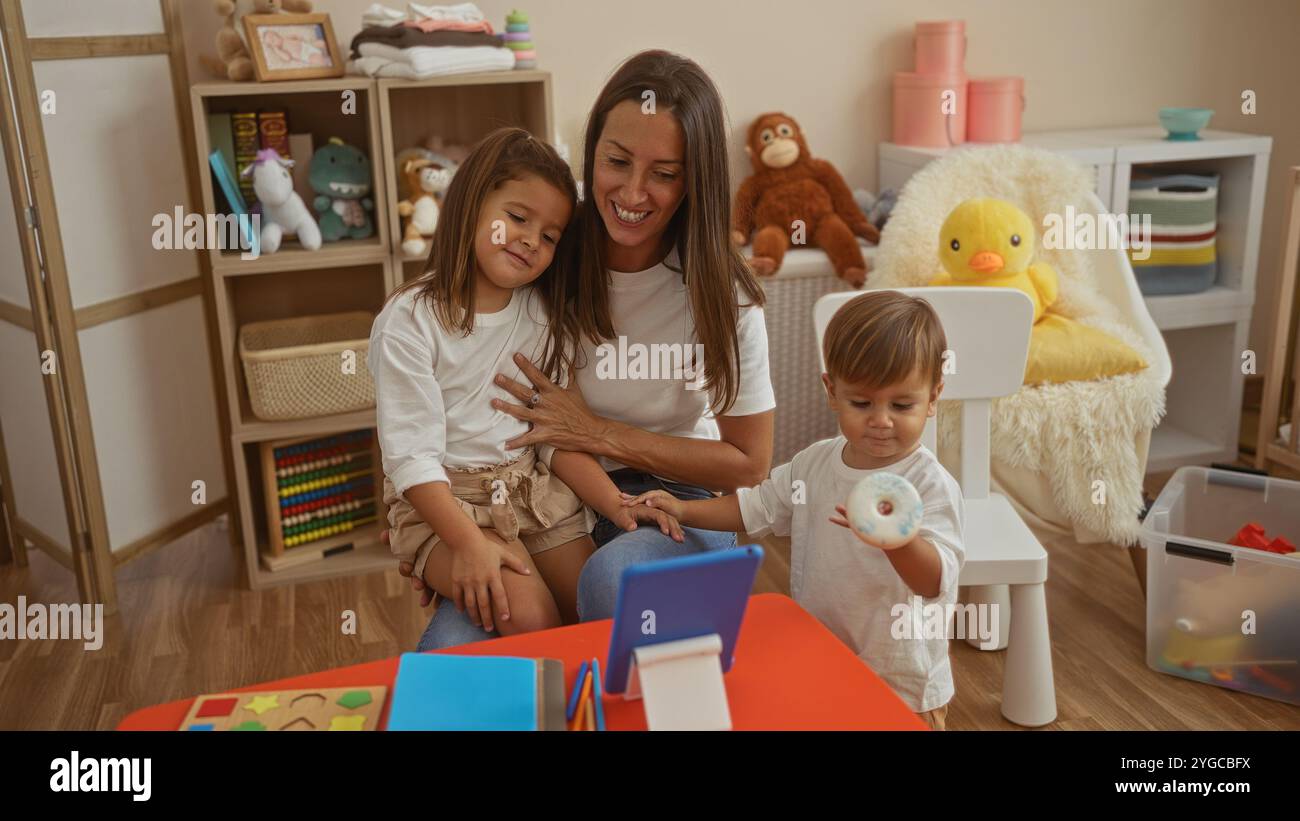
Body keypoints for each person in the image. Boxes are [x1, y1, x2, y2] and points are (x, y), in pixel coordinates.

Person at [401, 50, 776, 649]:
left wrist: (598, 433)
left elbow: (750, 464)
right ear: (592, 153)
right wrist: (448, 539)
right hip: (542, 500)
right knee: (454, 652)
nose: (632, 192)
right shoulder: (546, 243)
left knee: (614, 580)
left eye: (664, 173)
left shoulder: (722, 293)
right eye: (617, 161)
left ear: (694, 181)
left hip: (676, 504)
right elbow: (452, 371)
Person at [371, 128, 681, 638]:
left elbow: (554, 441)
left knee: (595, 608)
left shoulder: (539, 316)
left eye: (550, 236)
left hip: (533, 493)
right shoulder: (410, 320)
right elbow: (411, 459)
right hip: (444, 506)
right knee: (531, 618)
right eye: (517, 218)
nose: (530, 241)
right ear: (471, 202)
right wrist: (467, 543)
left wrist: (618, 507)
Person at [622, 291, 965, 730]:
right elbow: (756, 508)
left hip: (902, 684)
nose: (881, 420)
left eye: (902, 405)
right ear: (832, 391)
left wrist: (900, 542)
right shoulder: (815, 464)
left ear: (933, 397)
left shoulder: (930, 484)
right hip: (824, 661)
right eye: (862, 403)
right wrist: (686, 511)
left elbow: (935, 581)